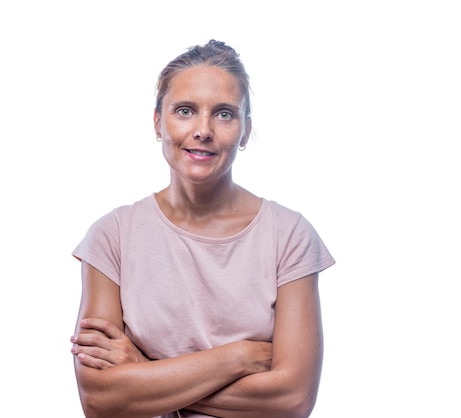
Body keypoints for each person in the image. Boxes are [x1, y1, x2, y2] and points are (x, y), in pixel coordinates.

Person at [69, 39, 335, 418]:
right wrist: (240, 356)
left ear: (245, 131)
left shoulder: (288, 235)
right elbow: (100, 400)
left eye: (224, 114)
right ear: (159, 121)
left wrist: (144, 371)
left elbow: (293, 400)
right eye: (185, 111)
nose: (203, 130)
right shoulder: (112, 236)